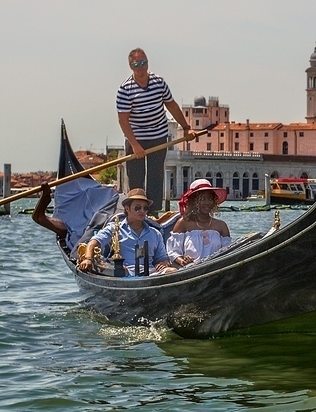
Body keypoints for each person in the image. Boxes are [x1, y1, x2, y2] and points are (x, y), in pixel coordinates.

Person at [117, 47, 194, 205]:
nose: (142, 67)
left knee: (156, 175)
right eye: (137, 64)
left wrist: (186, 128)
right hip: (136, 137)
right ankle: (136, 209)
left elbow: (172, 105)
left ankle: (154, 211)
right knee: (136, 177)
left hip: (158, 136)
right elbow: (123, 121)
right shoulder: (125, 89)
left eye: (144, 63)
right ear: (131, 66)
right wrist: (135, 145)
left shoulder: (158, 82)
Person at [78, 188, 173, 276]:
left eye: (145, 208)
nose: (142, 211)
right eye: (137, 208)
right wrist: (88, 259)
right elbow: (94, 242)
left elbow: (163, 258)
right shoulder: (114, 229)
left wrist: (164, 264)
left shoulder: (155, 234)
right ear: (127, 208)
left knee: (172, 272)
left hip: (151, 273)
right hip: (125, 272)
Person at [167, 179, 232, 267]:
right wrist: (183, 261)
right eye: (202, 199)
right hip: (189, 269)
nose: (207, 203)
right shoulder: (183, 223)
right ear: (194, 201)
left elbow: (228, 252)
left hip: (215, 268)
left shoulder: (221, 226)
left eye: (210, 199)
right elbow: (173, 251)